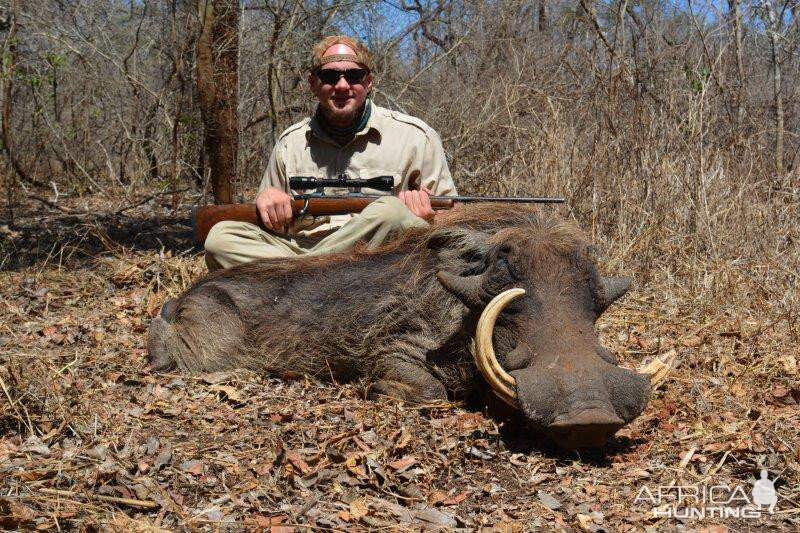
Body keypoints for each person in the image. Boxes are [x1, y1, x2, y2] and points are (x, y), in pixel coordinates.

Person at [204, 35, 457, 270]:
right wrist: (268, 199)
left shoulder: (416, 137)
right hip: (303, 248)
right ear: (313, 83)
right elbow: (269, 226)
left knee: (391, 213)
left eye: (354, 75)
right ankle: (318, 277)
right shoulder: (289, 144)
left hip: (381, 261)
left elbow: (453, 222)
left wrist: (427, 219)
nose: (342, 85)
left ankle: (299, 279)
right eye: (330, 76)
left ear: (368, 82)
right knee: (220, 239)